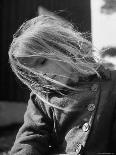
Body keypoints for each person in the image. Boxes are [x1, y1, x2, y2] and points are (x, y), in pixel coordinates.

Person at [8, 15, 116, 155]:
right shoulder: (42, 99)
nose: (41, 74)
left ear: (65, 47)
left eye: (42, 62)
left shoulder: (111, 82)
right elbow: (31, 138)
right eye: (33, 73)